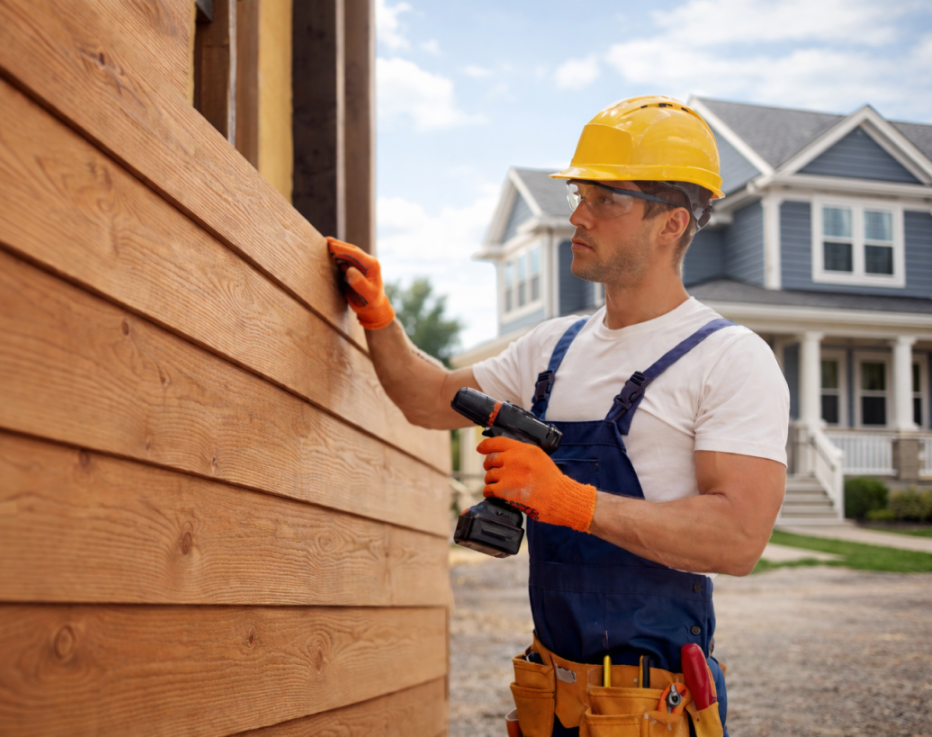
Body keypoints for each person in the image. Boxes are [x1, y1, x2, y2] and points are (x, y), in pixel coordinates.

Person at [327, 96, 788, 737]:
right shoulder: (551, 349)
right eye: (580, 195)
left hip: (649, 710)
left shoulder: (728, 359)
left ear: (671, 223)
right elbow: (426, 397)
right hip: (551, 697)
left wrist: (569, 501)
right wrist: (379, 317)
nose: (578, 216)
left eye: (607, 200)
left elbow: (739, 539)